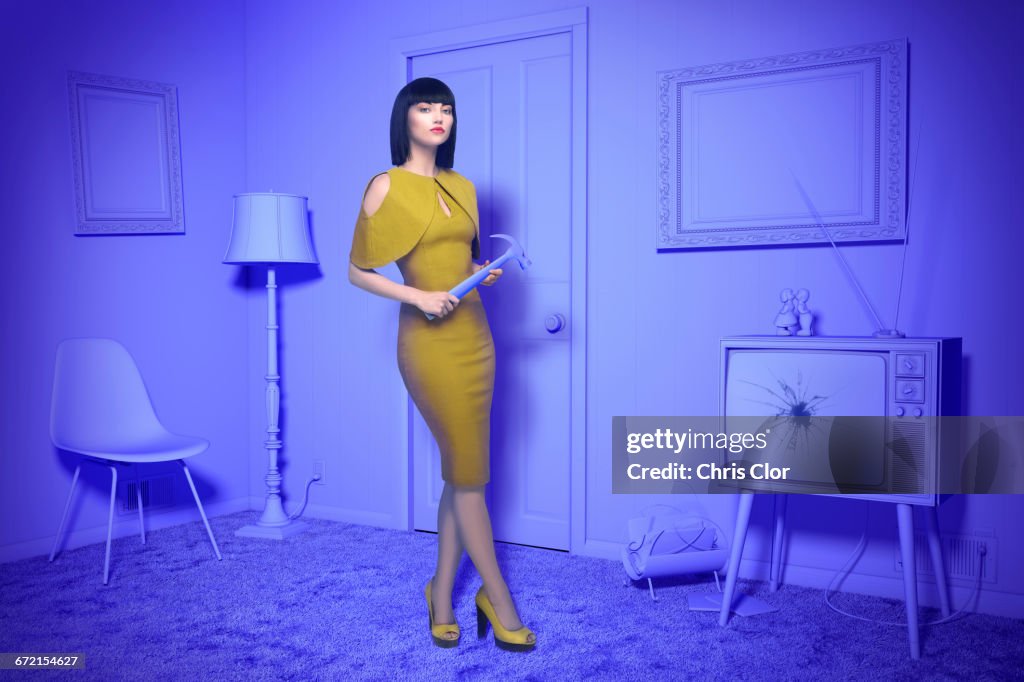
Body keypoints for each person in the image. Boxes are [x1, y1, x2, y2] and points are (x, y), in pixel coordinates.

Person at [347, 77, 536, 652]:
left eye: (446, 109)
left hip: (476, 336)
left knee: (461, 473)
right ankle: (498, 601)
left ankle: (439, 592)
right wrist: (420, 297)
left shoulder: (462, 186)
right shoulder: (384, 185)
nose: (438, 117)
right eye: (426, 108)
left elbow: (459, 255)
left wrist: (482, 269)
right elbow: (358, 269)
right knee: (471, 478)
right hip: (427, 344)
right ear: (405, 116)